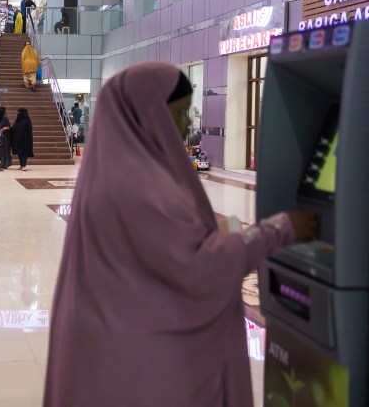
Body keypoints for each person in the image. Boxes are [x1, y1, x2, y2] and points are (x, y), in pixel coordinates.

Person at [43, 63, 319, 407]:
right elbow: (200, 268)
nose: (189, 124)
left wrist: (223, 229)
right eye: (181, 112)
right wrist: (279, 230)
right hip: (149, 368)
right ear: (149, 114)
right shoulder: (139, 187)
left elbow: (161, 247)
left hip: (112, 351)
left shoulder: (113, 172)